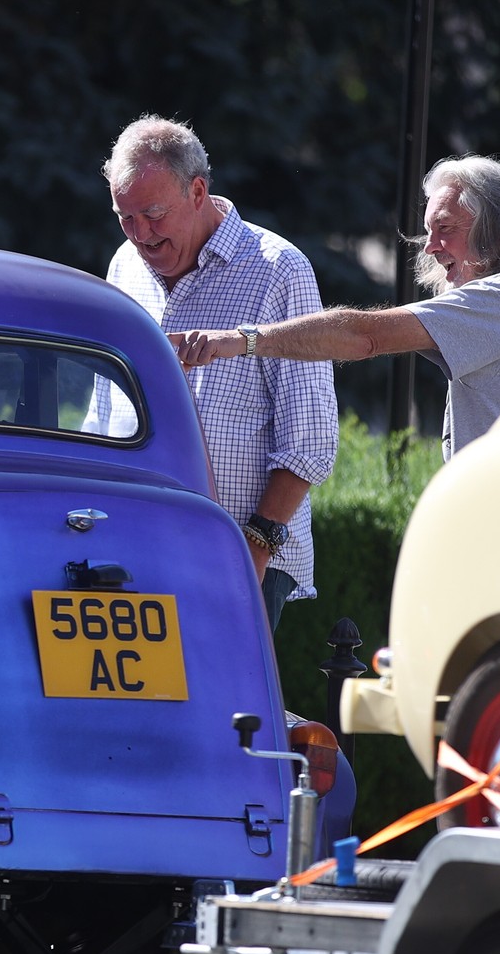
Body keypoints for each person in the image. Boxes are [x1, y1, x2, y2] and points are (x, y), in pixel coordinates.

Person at [172, 154, 500, 460]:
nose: (433, 247)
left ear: (497, 230)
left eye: (445, 228)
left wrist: (236, 340)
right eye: (429, 231)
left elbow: (364, 336)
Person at [94, 116, 337, 630]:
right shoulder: (124, 265)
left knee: (229, 711)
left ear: (198, 190)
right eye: (125, 217)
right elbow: (103, 413)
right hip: (135, 546)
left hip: (240, 553)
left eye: (153, 214)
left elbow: (310, 440)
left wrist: (254, 550)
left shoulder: (278, 270)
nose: (140, 235)